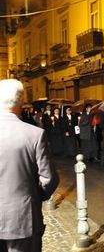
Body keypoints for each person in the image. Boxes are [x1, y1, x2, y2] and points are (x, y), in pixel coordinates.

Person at [0, 79, 59, 252]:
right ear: (21, 101)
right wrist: (35, 196)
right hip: (22, 217)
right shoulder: (34, 134)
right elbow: (50, 179)